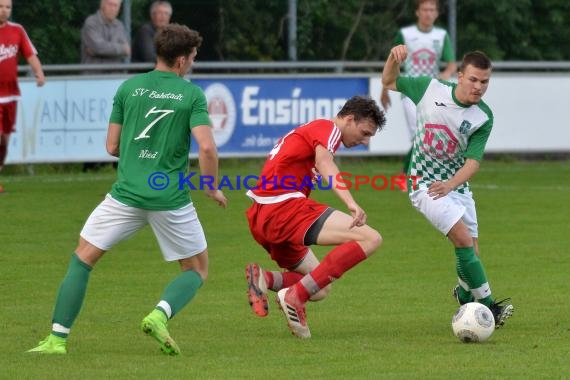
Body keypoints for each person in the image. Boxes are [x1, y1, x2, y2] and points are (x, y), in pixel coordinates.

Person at [27, 24, 227, 355]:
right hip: (169, 197)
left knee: (82, 259)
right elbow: (206, 148)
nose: (192, 62)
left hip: (126, 194)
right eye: (192, 57)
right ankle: (159, 315)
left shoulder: (129, 88)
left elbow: (111, 146)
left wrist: (139, 158)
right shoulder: (191, 94)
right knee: (197, 270)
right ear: (180, 60)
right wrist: (211, 187)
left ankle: (56, 340)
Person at [381, 44, 514, 328]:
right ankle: (490, 307)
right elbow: (389, 81)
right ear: (460, 76)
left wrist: (451, 184)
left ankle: (465, 296)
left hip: (456, 187)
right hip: (423, 184)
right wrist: (393, 59)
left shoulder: (483, 117)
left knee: (472, 252)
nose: (479, 87)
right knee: (463, 240)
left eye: (485, 81)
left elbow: (473, 162)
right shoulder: (430, 88)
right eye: (474, 79)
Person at [245, 95, 386, 338]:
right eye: (364, 133)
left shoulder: (313, 131)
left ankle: (264, 279)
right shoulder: (328, 128)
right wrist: (351, 203)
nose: (364, 141)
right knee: (371, 238)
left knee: (319, 287)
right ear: (350, 119)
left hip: (263, 215)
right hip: (282, 208)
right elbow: (325, 163)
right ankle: (294, 298)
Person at [380, 0, 456, 189]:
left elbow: (451, 64)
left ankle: (413, 175)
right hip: (409, 91)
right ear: (417, 12)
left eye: (432, 10)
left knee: (428, 136)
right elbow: (392, 61)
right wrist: (385, 89)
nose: (428, 13)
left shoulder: (441, 35)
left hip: (432, 92)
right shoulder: (406, 34)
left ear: (437, 14)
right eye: (425, 9)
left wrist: (445, 76)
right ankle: (405, 175)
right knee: (420, 136)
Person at [0, 0, 45, 192]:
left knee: (5, 141)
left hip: (11, 95)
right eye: (1, 6)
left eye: (8, 7)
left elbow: (30, 54)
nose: (4, 10)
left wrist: (39, 72)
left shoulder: (17, 30)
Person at [81, 0, 130, 65]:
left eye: (116, 6)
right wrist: (121, 49)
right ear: (102, 5)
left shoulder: (119, 26)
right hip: (95, 73)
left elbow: (127, 51)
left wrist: (98, 51)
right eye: (110, 4)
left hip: (116, 74)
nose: (113, 9)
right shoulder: (91, 22)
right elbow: (98, 47)